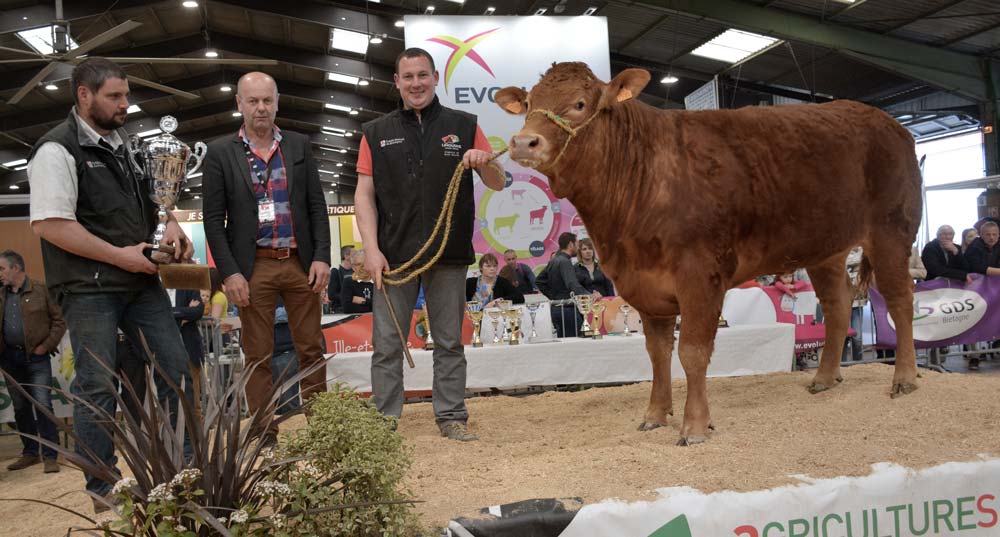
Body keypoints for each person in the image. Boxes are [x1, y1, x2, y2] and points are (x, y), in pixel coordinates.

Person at [27, 57, 192, 511]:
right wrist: (119, 256)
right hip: (88, 288)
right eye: (114, 96)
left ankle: (188, 471)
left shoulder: (128, 144)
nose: (125, 104)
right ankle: (104, 487)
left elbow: (158, 196)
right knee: (98, 386)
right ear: (84, 95)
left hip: (141, 283)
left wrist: (171, 223)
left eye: (126, 95)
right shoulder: (55, 150)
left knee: (177, 371)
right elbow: (51, 225)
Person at [354, 47, 505, 442]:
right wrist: (371, 249)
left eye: (423, 75)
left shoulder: (465, 125)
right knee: (387, 344)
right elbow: (364, 194)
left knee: (450, 341)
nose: (416, 83)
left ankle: (452, 415)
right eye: (408, 77)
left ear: (435, 78)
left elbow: (498, 181)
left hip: (449, 254)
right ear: (397, 82)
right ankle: (384, 421)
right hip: (395, 257)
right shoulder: (375, 132)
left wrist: (483, 160)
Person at [202, 71, 331, 442]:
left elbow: (316, 207)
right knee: (258, 355)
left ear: (277, 102)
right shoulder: (221, 152)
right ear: (239, 104)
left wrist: (321, 256)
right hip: (252, 266)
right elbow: (213, 220)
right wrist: (230, 273)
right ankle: (264, 435)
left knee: (311, 348)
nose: (261, 108)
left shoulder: (298, 144)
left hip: (299, 263)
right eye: (253, 101)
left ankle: (323, 430)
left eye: (267, 100)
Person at [0, 250, 66, 474]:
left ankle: (50, 455)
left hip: (37, 358)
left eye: (2, 269)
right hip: (9, 358)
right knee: (20, 407)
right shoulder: (1, 294)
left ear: (15, 268)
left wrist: (46, 346)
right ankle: (30, 453)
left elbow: (59, 320)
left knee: (43, 405)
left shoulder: (40, 289)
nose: (0, 274)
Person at [544, 232, 601, 338]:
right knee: (576, 346)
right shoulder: (565, 261)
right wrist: (589, 295)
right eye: (576, 244)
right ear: (570, 244)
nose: (577, 247)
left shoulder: (554, 260)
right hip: (568, 311)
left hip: (556, 310)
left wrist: (555, 297)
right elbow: (572, 284)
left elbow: (540, 281)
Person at [169, 286, 204, 409]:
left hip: (189, 347)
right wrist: (184, 313)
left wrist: (169, 313)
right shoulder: (154, 288)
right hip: (164, 349)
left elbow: (198, 311)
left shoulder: (188, 286)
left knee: (194, 395)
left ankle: (196, 425)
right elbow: (152, 312)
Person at [341, 249, 374, 314]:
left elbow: (382, 305)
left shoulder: (377, 281)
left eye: (365, 264)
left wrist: (364, 301)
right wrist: (371, 305)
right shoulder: (348, 282)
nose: (363, 267)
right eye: (359, 264)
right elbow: (347, 308)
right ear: (353, 267)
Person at [326, 245, 355, 313]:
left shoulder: (356, 271)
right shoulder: (335, 271)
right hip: (340, 310)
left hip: (354, 308)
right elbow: (332, 295)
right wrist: (350, 298)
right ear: (346, 256)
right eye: (354, 254)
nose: (357, 256)